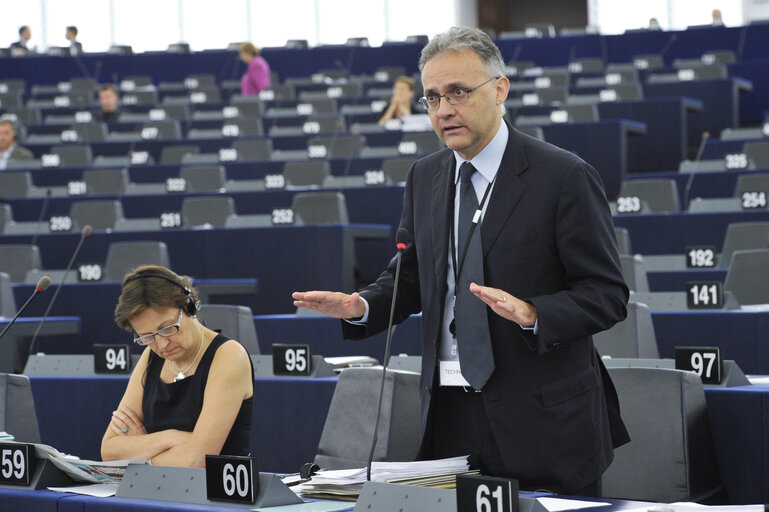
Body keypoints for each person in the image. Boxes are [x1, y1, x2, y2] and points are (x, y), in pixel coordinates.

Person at [293, 26, 629, 496]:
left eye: (458, 92)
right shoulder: (425, 177)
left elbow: (607, 294)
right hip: (448, 416)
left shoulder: (563, 175)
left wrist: (535, 313)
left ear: (499, 89)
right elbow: (410, 278)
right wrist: (362, 305)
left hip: (546, 422)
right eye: (431, 98)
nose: (444, 109)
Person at [101, 266, 254, 468]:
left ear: (189, 307)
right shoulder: (150, 356)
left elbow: (196, 462)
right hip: (156, 493)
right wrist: (170, 438)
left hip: (217, 495)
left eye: (167, 328)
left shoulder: (229, 356)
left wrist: (139, 452)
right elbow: (109, 451)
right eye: (147, 337)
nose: (162, 345)